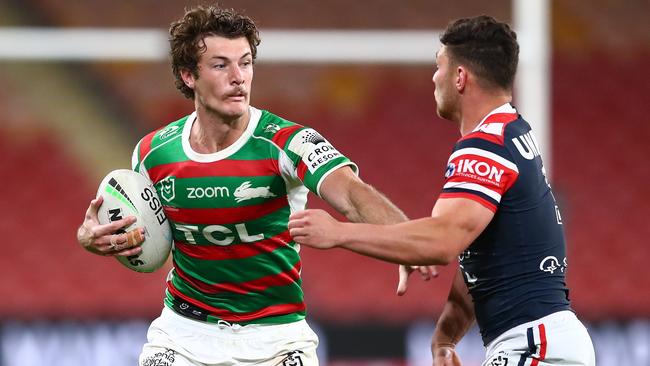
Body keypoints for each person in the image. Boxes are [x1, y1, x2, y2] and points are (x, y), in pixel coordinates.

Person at [76, 5, 436, 366]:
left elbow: (353, 194)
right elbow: (144, 239)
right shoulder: (152, 153)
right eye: (221, 65)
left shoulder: (288, 142)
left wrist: (401, 237)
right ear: (189, 75)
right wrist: (98, 239)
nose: (238, 77)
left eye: (245, 63)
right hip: (184, 335)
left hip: (275, 338)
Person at [289, 15, 596, 366]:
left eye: (439, 66)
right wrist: (445, 337)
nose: (434, 78)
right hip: (539, 341)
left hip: (533, 345)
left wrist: (339, 232)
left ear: (460, 77)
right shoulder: (510, 132)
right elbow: (481, 255)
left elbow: (443, 242)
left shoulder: (484, 146)